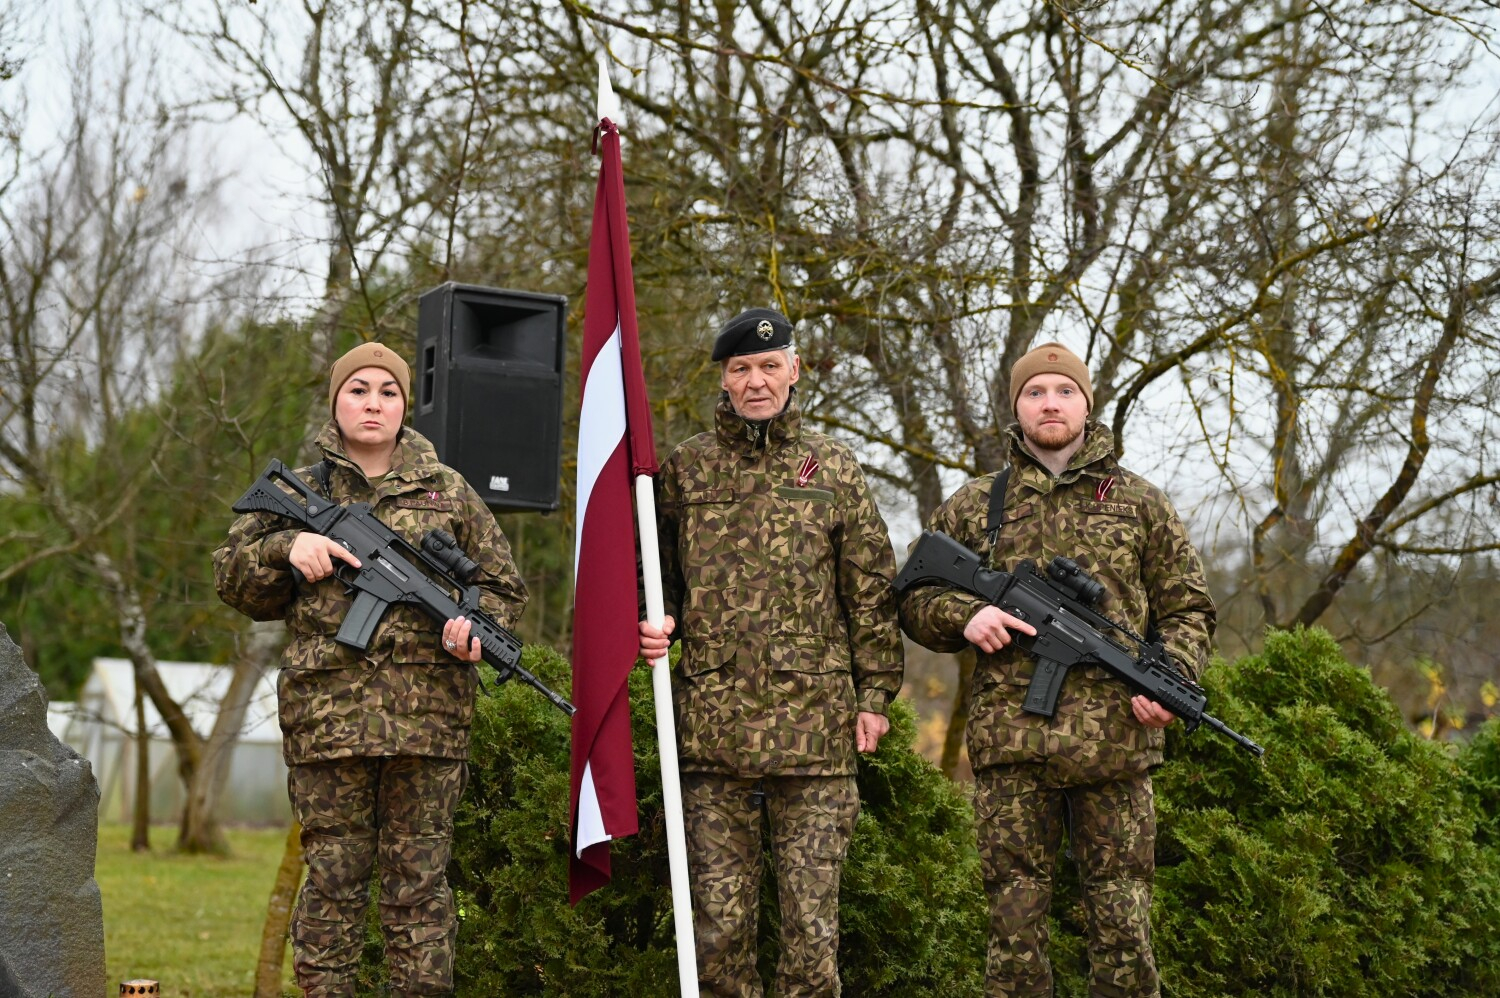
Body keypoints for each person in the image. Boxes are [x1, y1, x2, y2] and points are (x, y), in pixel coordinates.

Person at [898, 342, 1216, 997]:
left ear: (1086, 402)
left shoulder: (1140, 503)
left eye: (1064, 391)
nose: (1050, 403)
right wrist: (965, 617)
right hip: (1012, 749)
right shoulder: (979, 504)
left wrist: (1174, 682)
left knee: (1125, 941)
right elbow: (913, 597)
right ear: (1017, 405)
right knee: (1013, 944)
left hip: (1118, 749)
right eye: (1036, 391)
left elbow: (1188, 606)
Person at [213, 342, 527, 997]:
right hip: (328, 722)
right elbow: (236, 583)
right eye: (358, 389)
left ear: (405, 404)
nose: (374, 403)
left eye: (388, 391)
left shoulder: (450, 492)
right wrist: (285, 546)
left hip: (428, 726)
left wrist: (477, 631)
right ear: (336, 400)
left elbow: (505, 591)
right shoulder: (306, 489)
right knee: (331, 884)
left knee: (420, 892)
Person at [637, 308, 904, 998]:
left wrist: (876, 697)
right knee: (718, 936)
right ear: (724, 381)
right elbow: (650, 572)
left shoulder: (834, 468)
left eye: (767, 366)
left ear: (794, 369)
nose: (756, 382)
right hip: (711, 733)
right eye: (740, 369)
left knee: (811, 937)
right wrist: (652, 618)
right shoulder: (686, 470)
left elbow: (869, 591)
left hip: (814, 734)